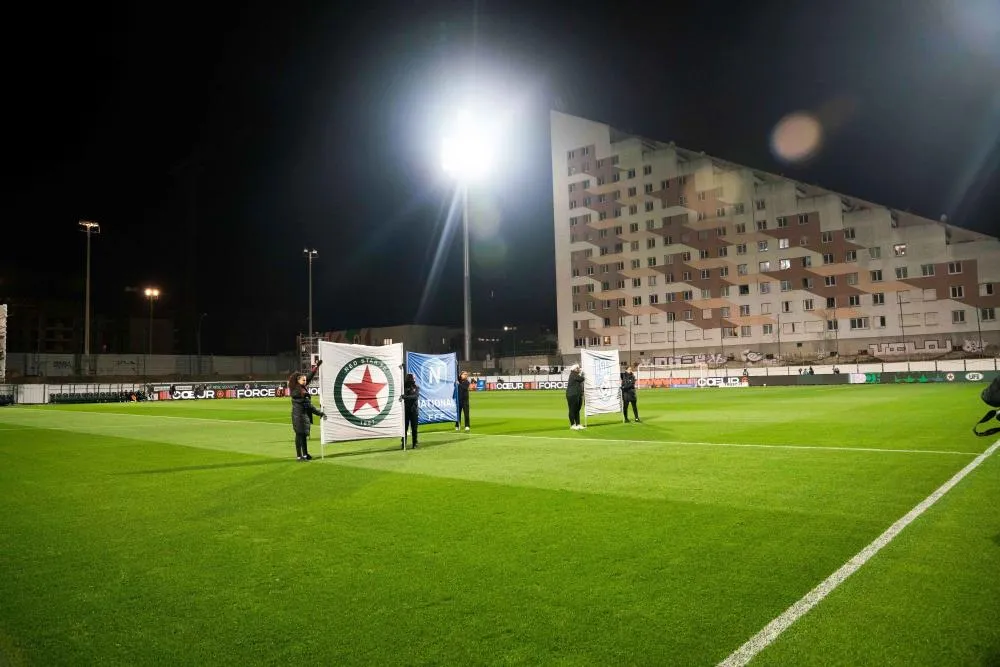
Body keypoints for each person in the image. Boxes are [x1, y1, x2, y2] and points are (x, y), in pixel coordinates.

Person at [288, 360, 326, 461]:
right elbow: (309, 406)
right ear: (298, 381)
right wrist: (320, 413)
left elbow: (309, 376)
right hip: (299, 416)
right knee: (300, 435)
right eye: (303, 380)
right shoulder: (299, 392)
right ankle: (299, 456)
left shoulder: (300, 387)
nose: (305, 381)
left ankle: (305, 455)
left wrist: (316, 367)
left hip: (301, 415)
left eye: (305, 380)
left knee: (302, 435)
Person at [402, 372, 419, 449]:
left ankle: (415, 443)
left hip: (414, 411)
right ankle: (404, 443)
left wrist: (405, 397)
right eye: (413, 377)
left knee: (414, 428)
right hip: (405, 411)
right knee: (404, 428)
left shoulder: (416, 387)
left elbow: (415, 397)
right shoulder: (403, 387)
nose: (414, 379)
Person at [566, 363, 585, 430]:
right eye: (578, 368)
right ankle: (572, 425)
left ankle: (578, 424)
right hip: (572, 394)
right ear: (574, 369)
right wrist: (582, 374)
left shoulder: (575, 374)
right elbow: (581, 379)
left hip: (577, 394)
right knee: (572, 409)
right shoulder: (573, 374)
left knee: (577, 409)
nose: (579, 369)